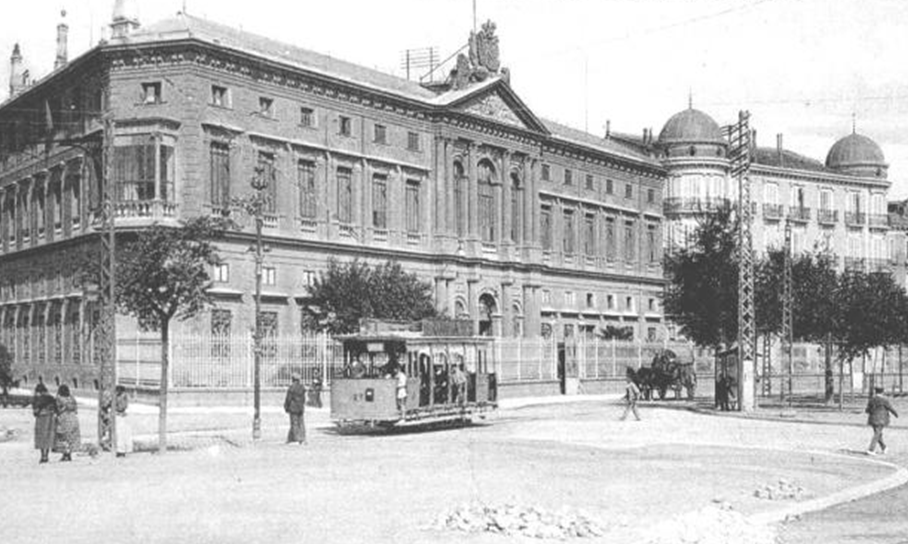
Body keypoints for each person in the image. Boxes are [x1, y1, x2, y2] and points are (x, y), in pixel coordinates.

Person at [866, 386, 899, 455]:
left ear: (875, 391)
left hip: (872, 419)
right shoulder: (884, 400)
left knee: (878, 434)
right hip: (881, 419)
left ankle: (884, 447)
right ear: (883, 392)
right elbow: (890, 408)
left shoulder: (871, 400)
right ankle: (871, 449)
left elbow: (867, 410)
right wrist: (896, 414)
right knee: (877, 434)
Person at [53, 384, 80, 462]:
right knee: (71, 437)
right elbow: (76, 409)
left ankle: (65, 454)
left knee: (62, 437)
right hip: (73, 418)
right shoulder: (72, 398)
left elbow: (58, 409)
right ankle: (69, 453)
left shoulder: (59, 398)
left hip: (63, 418)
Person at [32, 383, 55, 464]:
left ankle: (42, 456)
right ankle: (46, 455)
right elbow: (55, 408)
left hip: (41, 418)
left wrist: (37, 412)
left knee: (41, 437)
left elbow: (35, 411)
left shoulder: (38, 399)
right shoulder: (51, 398)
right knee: (48, 437)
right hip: (50, 418)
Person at [283, 374, 307, 445]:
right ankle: (300, 438)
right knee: (301, 423)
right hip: (300, 408)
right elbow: (303, 399)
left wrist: (286, 407)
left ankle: (296, 439)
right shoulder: (302, 388)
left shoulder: (291, 388)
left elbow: (288, 399)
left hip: (293, 408)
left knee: (294, 423)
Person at [114, 386, 133, 458]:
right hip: (124, 416)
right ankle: (127, 449)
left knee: (120, 434)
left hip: (121, 416)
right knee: (126, 434)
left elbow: (121, 407)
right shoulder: (125, 396)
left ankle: (121, 450)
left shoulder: (122, 397)